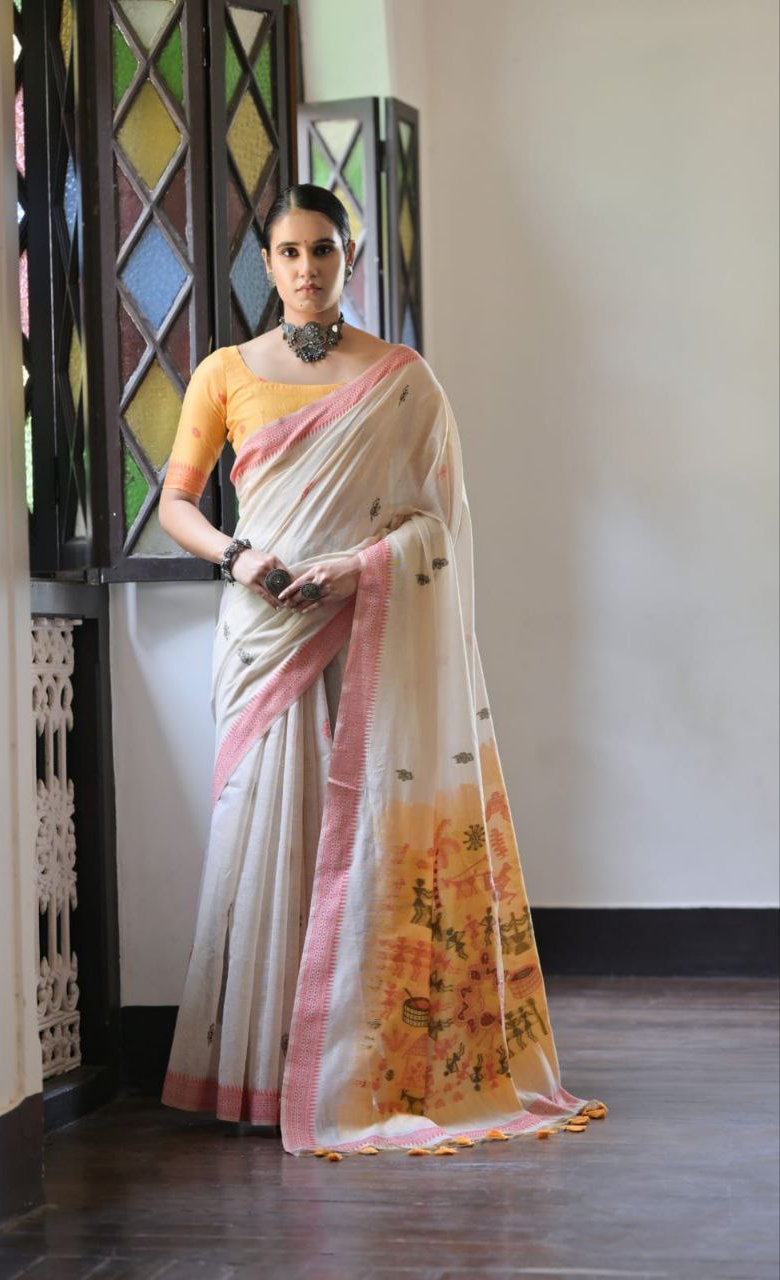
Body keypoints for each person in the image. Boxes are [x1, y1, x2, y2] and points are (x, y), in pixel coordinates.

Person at [158, 183, 604, 1157]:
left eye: (322, 249)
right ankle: (257, 1075)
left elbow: (437, 523)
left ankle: (358, 1066)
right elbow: (176, 503)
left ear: (346, 258)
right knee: (262, 837)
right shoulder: (225, 373)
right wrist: (241, 558)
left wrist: (356, 569)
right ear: (265, 264)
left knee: (354, 838)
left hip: (363, 623)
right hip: (264, 628)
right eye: (288, 252)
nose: (306, 268)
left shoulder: (402, 378)